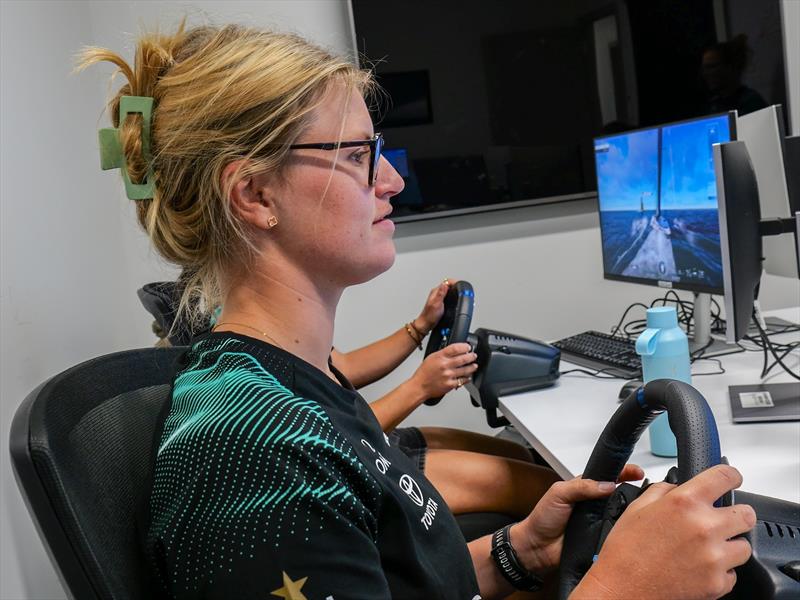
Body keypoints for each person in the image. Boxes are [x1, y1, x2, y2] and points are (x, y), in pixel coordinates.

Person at [80, 22, 755, 599]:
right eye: (355, 154)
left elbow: (388, 577)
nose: (392, 179)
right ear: (255, 194)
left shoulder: (298, 388)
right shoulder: (254, 454)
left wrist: (517, 552)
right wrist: (626, 586)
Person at [330, 278, 561, 519]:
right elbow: (332, 439)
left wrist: (421, 325)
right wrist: (420, 387)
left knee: (522, 454)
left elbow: (343, 366)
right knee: (548, 487)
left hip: (377, 436)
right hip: (351, 462)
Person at [701, 34, 768, 117]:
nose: (706, 73)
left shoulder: (751, 103)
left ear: (730, 67)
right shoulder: (714, 106)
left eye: (712, 67)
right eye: (705, 68)